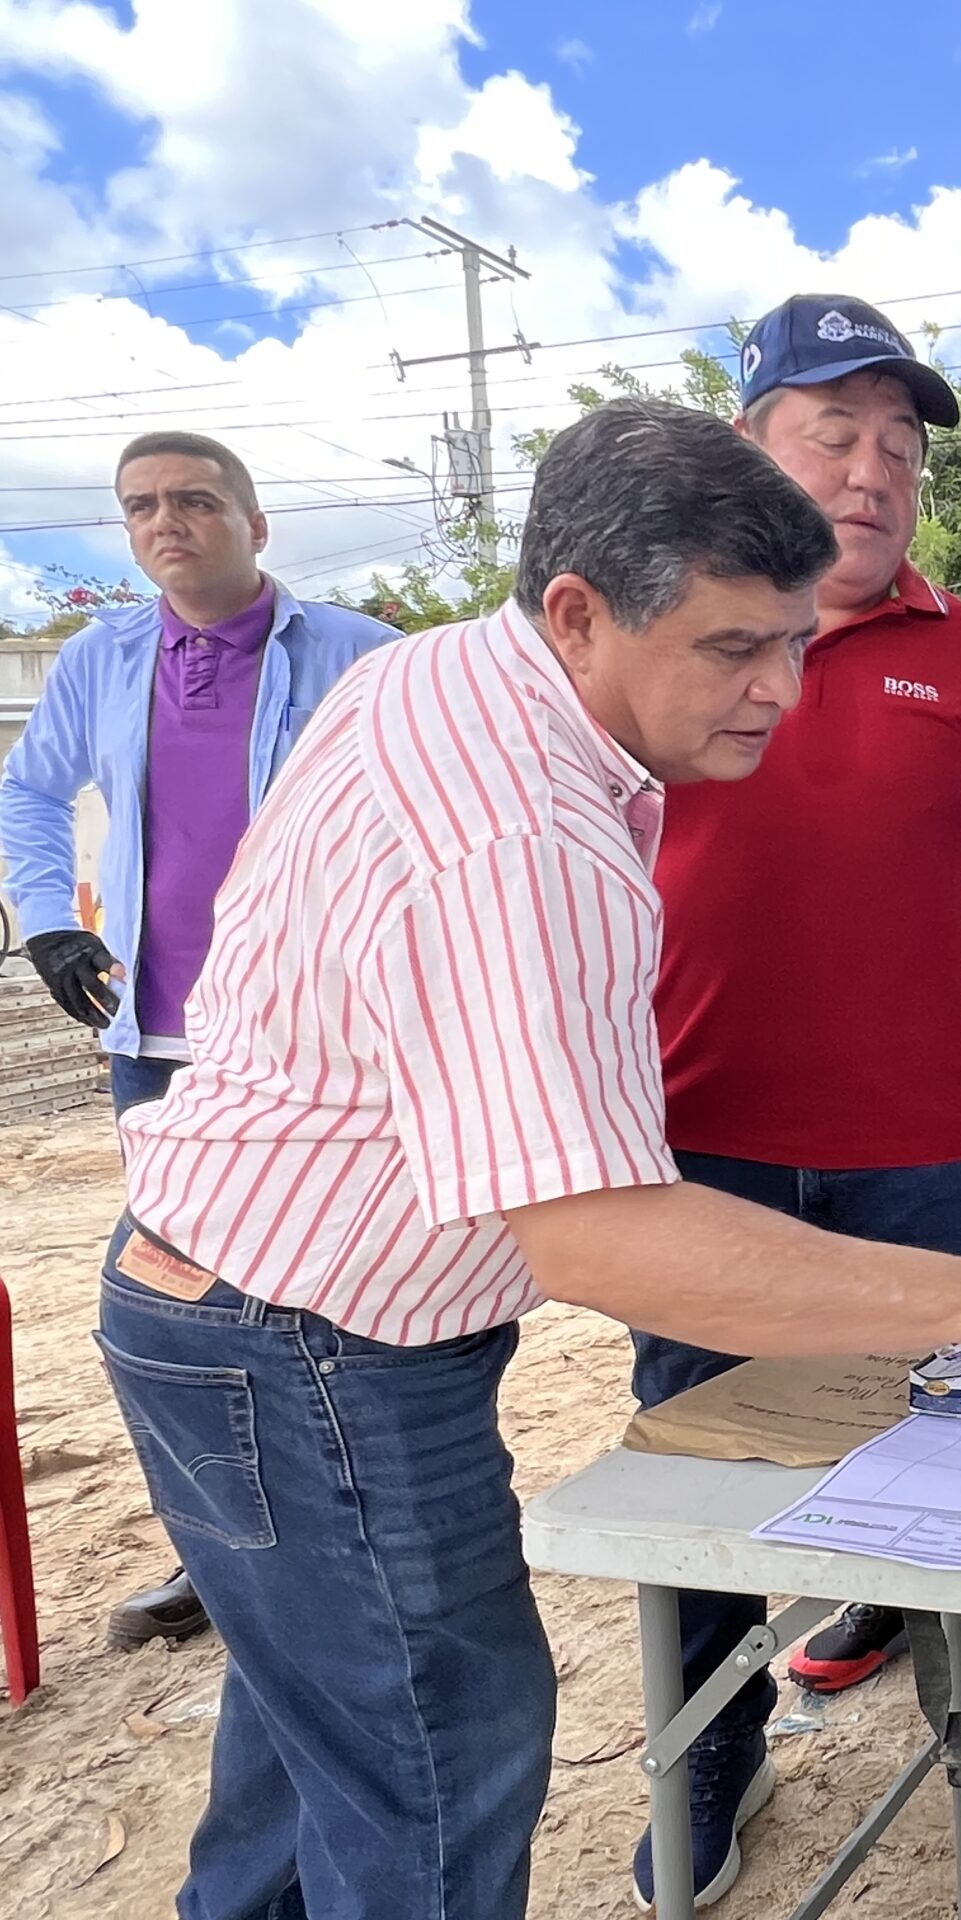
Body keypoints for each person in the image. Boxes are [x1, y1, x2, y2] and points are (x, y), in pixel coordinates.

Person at [97, 396, 961, 1920]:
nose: (780, 692)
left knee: (312, 1744)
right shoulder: (530, 838)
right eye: (733, 651)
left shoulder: (437, 672)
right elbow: (599, 1243)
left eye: (794, 642)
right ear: (578, 611)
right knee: (441, 1758)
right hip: (309, 1347)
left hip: (234, 1300)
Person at [638, 297, 961, 1915]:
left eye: (901, 446)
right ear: (746, 443)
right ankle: (715, 1739)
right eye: (831, 433)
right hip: (689, 1152)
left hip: (919, 1156)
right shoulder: (659, 624)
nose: (870, 470)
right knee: (705, 1479)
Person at [0, 430, 393, 1653]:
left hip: (318, 1042)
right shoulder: (99, 661)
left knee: (333, 1277)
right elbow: (29, 792)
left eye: (196, 500)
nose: (168, 523)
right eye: (141, 508)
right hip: (159, 1038)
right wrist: (50, 921)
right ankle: (213, 1550)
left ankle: (362, 1516)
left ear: (256, 522)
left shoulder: (362, 657)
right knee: (180, 1302)